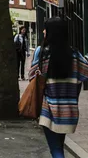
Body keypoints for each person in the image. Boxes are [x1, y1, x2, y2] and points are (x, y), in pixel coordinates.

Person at [29, 17, 88, 158]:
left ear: (50, 32)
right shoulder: (75, 54)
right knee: (59, 146)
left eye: (45, 29)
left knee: (56, 149)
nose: (43, 31)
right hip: (69, 109)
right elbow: (84, 74)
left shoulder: (42, 53)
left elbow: (32, 76)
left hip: (49, 108)